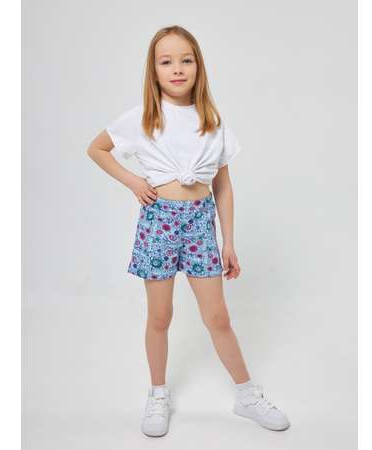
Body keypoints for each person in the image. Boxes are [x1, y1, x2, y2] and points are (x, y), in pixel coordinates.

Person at [87, 25, 290, 437]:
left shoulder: (211, 120)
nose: (177, 69)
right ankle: (158, 394)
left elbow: (223, 185)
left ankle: (247, 395)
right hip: (159, 221)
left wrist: (228, 241)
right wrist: (133, 181)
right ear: (154, 70)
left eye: (186, 60)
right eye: (166, 61)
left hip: (200, 223)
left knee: (217, 316)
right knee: (160, 315)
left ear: (198, 66)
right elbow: (97, 148)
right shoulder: (143, 117)